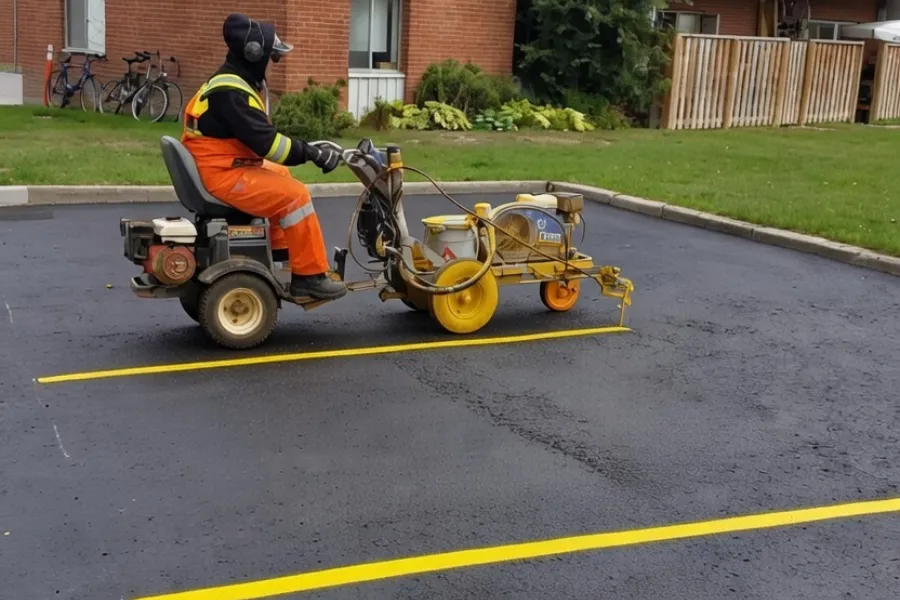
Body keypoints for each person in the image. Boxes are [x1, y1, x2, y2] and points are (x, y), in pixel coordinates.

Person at [181, 12, 347, 300]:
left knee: (280, 176)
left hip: (220, 163)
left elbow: (257, 140)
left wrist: (309, 150)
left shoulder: (229, 82)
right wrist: (314, 154)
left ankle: (282, 253)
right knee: (296, 196)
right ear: (253, 53)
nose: (271, 62)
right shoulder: (232, 94)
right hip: (222, 174)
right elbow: (271, 146)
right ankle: (309, 276)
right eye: (270, 57)